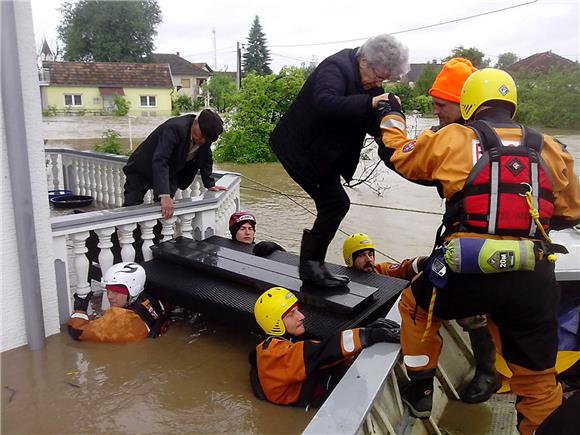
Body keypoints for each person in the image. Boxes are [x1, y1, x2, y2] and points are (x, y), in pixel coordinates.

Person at [378, 68, 580, 435]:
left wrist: (389, 118)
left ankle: (422, 388)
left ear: (469, 101)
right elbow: (570, 212)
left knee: (415, 307)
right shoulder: (552, 147)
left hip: (467, 273)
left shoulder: (453, 138)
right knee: (538, 380)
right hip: (531, 279)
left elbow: (400, 155)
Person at [269, 34, 409, 288]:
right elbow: (325, 103)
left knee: (333, 204)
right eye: (377, 76)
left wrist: (385, 126)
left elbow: (367, 115)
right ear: (364, 60)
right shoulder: (335, 67)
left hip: (322, 153)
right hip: (299, 149)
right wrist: (370, 102)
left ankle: (312, 265)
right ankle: (311, 267)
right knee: (335, 203)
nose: (377, 83)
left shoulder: (369, 82)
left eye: (383, 80)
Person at [249, 287, 400, 407]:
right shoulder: (276, 353)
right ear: (274, 323)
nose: (301, 316)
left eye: (297, 310)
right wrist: (369, 334)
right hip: (308, 396)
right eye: (291, 315)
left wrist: (366, 330)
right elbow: (323, 351)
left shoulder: (269, 347)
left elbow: (319, 349)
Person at [122, 109, 227, 219]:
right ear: (196, 122)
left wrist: (210, 184)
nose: (202, 141)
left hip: (170, 173)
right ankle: (129, 235)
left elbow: (206, 157)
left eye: (207, 139)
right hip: (141, 170)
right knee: (131, 207)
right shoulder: (175, 127)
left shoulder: (206, 135)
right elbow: (161, 159)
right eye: (201, 136)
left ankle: (159, 236)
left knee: (166, 210)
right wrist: (164, 195)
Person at [68, 262, 170, 342]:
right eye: (108, 290)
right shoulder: (149, 297)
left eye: (116, 292)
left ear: (133, 290)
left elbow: (77, 332)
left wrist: (80, 311)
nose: (109, 296)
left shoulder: (120, 321)